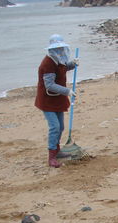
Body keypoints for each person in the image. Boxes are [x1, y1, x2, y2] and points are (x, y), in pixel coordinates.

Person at [35, 34, 78, 168]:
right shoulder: (47, 63)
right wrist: (67, 91)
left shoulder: (58, 60)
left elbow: (62, 69)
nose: (60, 51)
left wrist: (72, 64)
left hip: (57, 99)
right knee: (55, 127)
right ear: (52, 49)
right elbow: (50, 85)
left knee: (61, 127)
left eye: (61, 48)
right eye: (57, 49)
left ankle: (58, 151)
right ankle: (52, 156)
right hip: (47, 100)